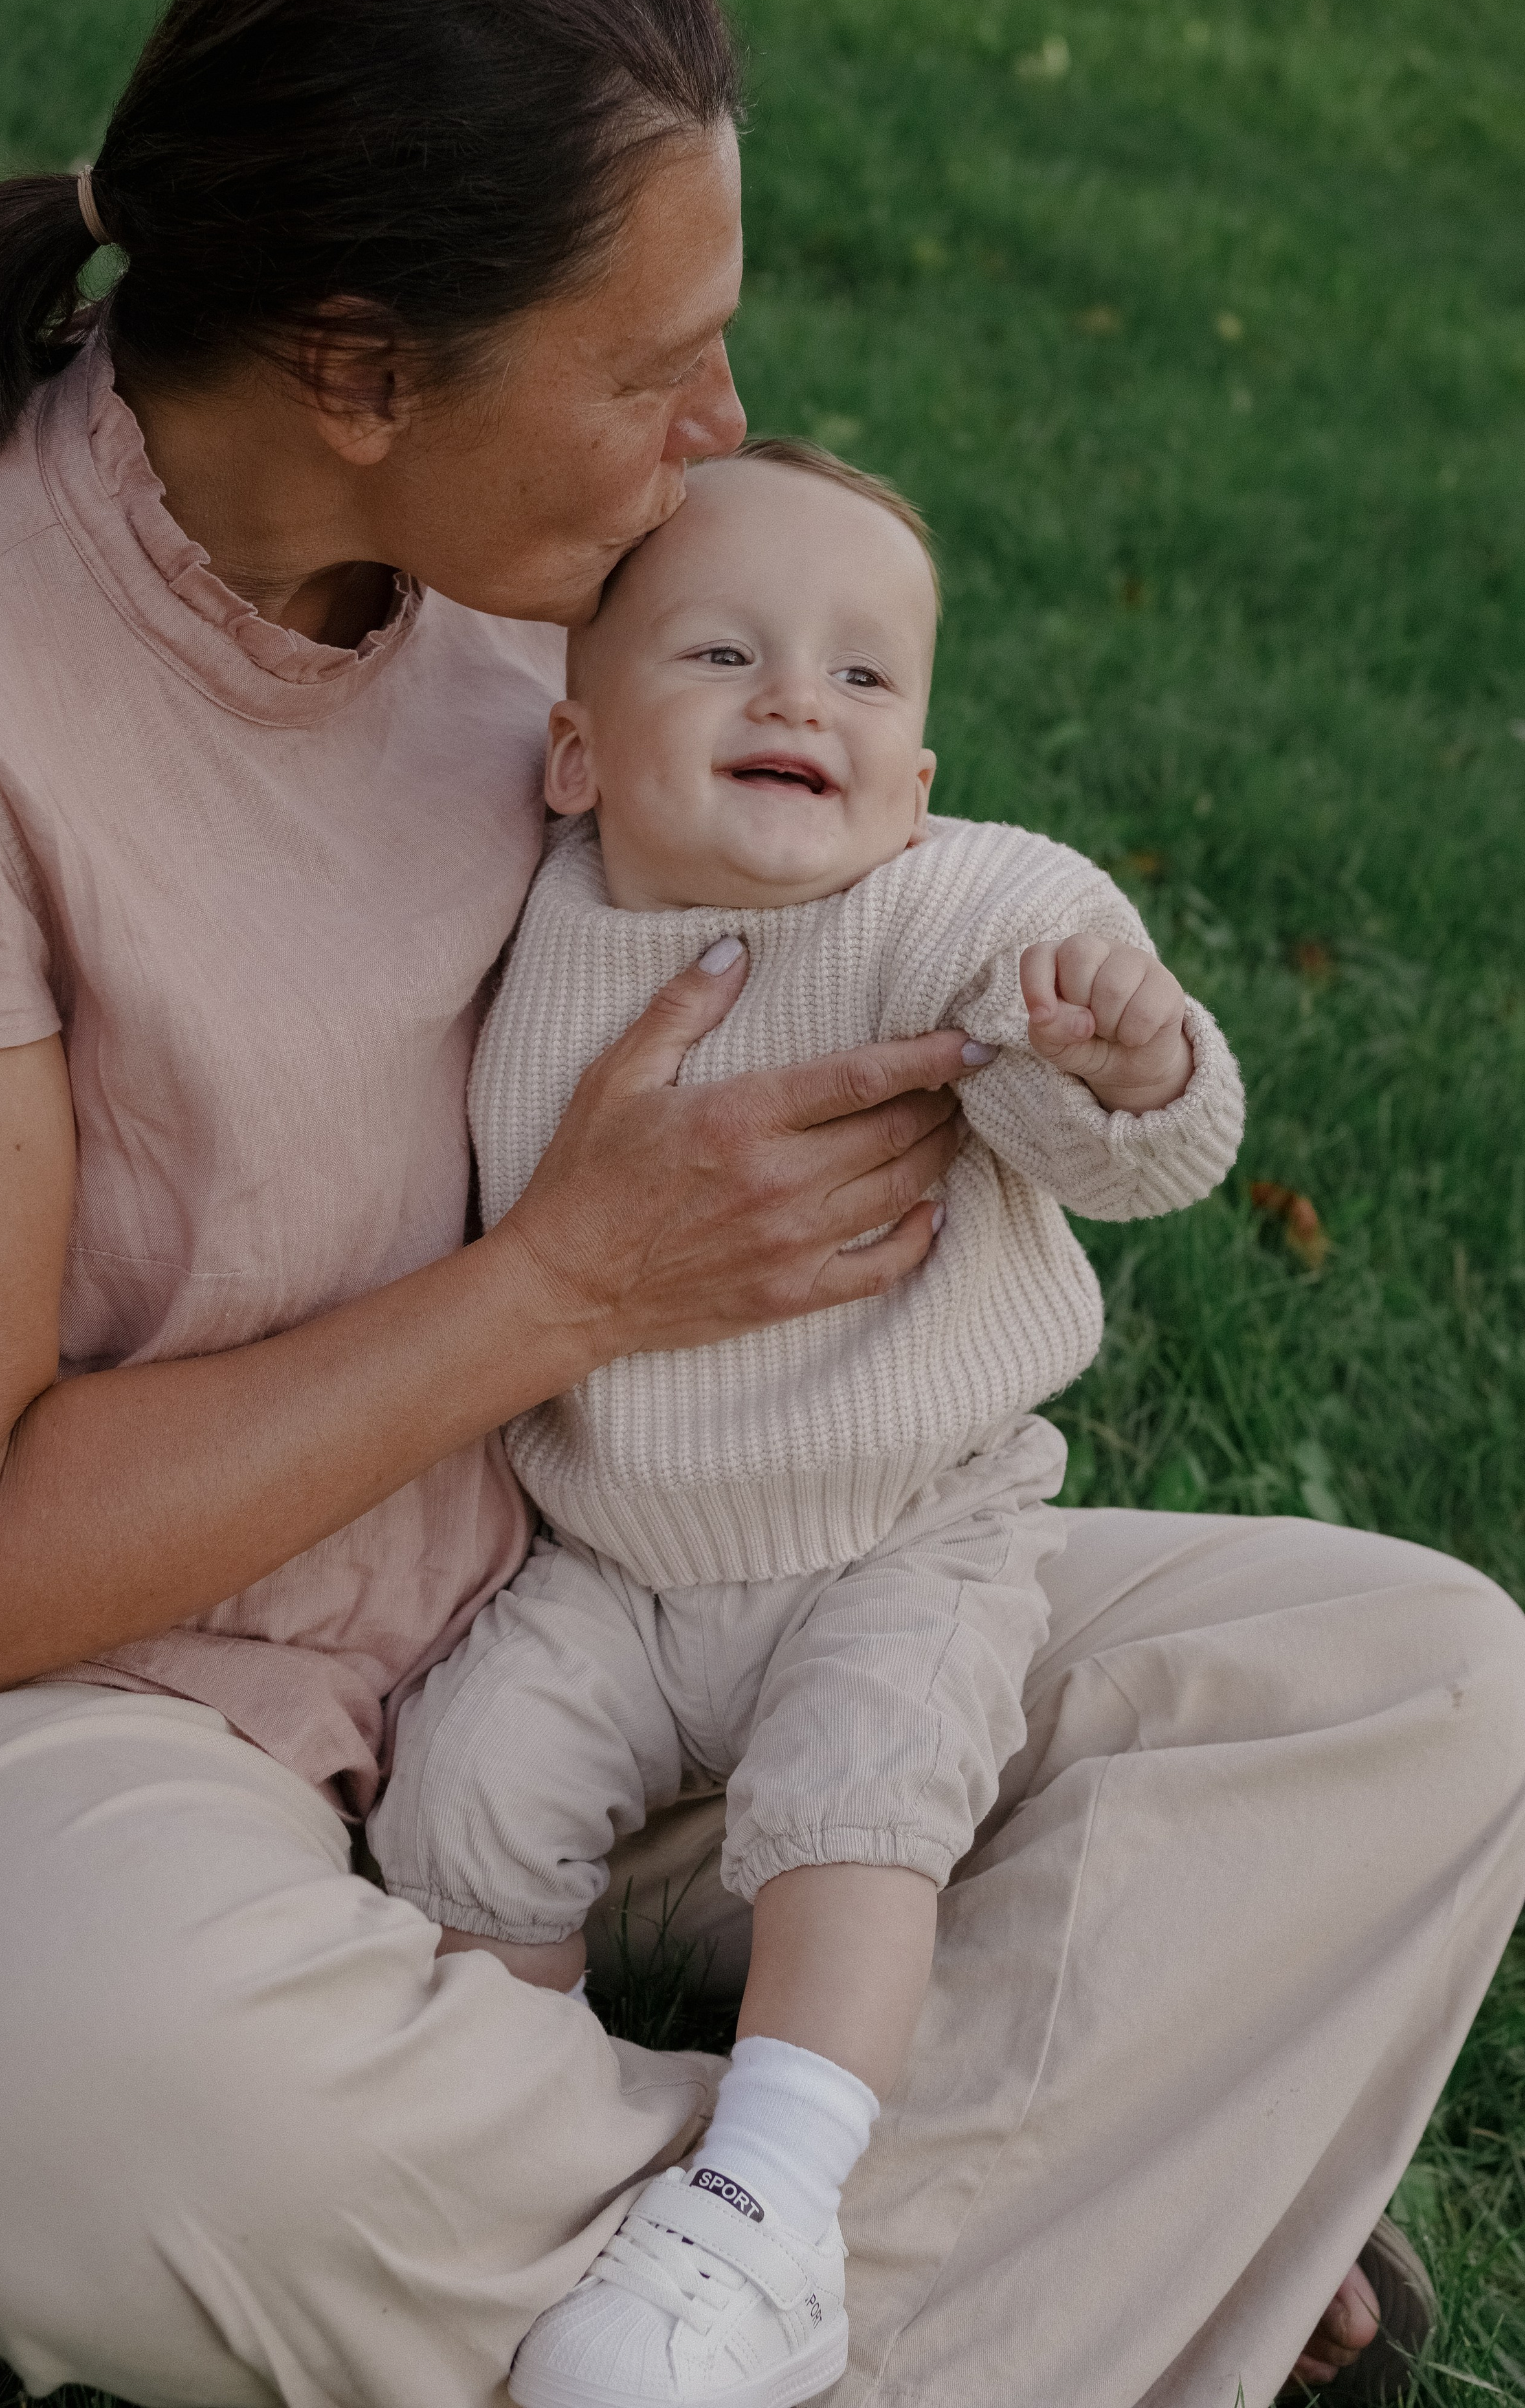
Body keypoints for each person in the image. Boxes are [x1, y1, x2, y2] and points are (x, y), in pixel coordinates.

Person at [0, 0, 1517, 2404]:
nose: (721, 427)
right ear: (359, 368)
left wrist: (1066, 1043)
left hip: (646, 1592)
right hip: (125, 1729)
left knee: (1414, 1687)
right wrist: (562, 1291)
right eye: (651, 373)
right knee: (47, 2087)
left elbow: (910, 917)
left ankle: (731, 2251)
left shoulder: (565, 589)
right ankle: (1032, 2210)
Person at [376, 437, 1246, 2408]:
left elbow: (1132, 1142)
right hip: (610, 1543)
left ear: (918, 780)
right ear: (577, 754)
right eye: (722, 654)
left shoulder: (950, 910)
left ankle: (766, 2207)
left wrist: (1124, 1055)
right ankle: (544, 2134)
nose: (798, 701)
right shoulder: (526, 923)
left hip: (897, 1524)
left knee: (864, 1787)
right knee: (467, 1788)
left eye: (864, 675)